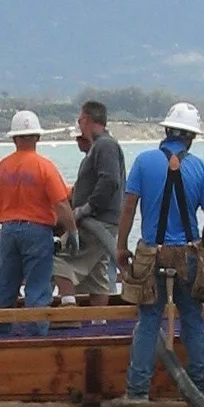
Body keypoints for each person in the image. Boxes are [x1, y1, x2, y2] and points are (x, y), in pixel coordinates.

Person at [113, 100, 204, 407]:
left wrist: (121, 246)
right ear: (191, 137)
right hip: (187, 255)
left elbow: (129, 207)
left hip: (152, 255)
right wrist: (203, 248)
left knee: (148, 321)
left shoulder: (145, 162)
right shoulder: (200, 168)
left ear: (166, 130)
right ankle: (199, 391)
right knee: (192, 320)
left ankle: (137, 392)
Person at [0, 110, 76, 329]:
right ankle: (36, 340)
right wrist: (72, 232)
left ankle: (1, 338)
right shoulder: (44, 167)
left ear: (15, 138)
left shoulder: (1, 168)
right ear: (37, 137)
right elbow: (61, 204)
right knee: (37, 289)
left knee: (5, 288)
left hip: (7, 230)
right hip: (37, 231)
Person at [57, 99, 125, 303]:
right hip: (101, 222)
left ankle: (69, 312)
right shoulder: (100, 146)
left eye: (80, 121)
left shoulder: (105, 145)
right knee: (97, 274)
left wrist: (86, 209)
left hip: (96, 222)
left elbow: (109, 179)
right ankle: (100, 322)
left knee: (58, 260)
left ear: (86, 119)